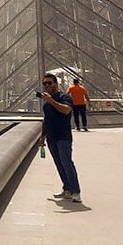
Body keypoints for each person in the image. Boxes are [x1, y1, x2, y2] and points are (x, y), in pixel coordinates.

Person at [38, 73, 81, 203]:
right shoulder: (46, 103)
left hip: (63, 136)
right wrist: (42, 136)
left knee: (67, 163)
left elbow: (67, 110)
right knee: (59, 164)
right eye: (44, 83)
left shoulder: (64, 96)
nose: (46, 86)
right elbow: (46, 120)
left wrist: (52, 101)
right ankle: (67, 188)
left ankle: (76, 192)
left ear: (56, 83)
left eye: (49, 83)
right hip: (51, 137)